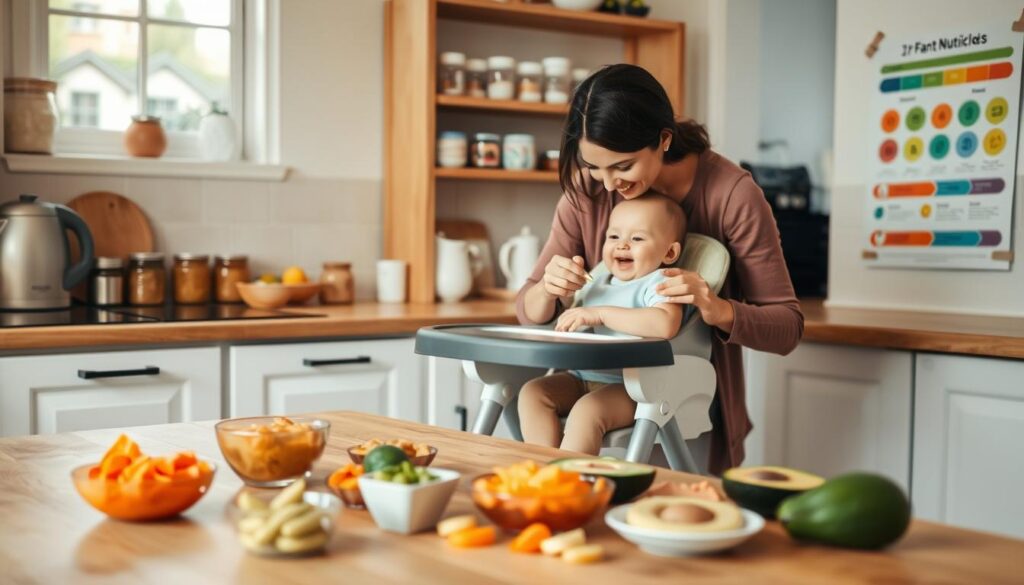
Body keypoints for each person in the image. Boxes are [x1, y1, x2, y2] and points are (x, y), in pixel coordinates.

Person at [515, 64, 803, 474]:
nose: (609, 185)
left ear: (663, 140)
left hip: (676, 408)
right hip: (582, 388)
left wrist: (715, 307)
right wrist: (547, 288)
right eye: (595, 166)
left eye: (623, 166)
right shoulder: (588, 189)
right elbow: (527, 309)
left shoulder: (731, 195)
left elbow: (787, 326)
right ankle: (546, 488)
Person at [519, 195, 691, 454]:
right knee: (532, 394)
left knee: (587, 411)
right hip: (582, 376)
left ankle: (570, 482)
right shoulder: (597, 281)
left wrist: (600, 314)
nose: (622, 245)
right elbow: (568, 318)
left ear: (669, 252)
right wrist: (563, 295)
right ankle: (545, 469)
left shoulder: (660, 282)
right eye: (613, 237)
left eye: (637, 238)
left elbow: (665, 324)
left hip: (633, 387)